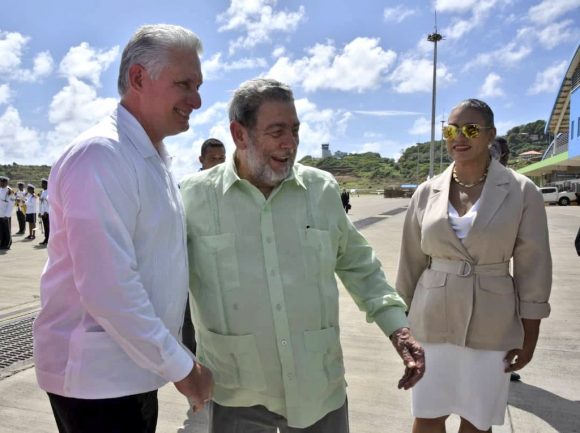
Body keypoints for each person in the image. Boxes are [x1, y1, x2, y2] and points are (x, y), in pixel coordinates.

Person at [180, 78, 424, 433]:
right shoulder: (193, 198)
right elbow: (164, 283)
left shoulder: (321, 189)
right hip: (237, 389)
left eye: (295, 130)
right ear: (239, 134)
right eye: (277, 131)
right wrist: (177, 363)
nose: (290, 144)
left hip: (317, 388)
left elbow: (359, 265)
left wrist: (396, 327)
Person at [32, 24, 213, 433]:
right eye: (184, 84)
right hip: (98, 382)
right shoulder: (102, 156)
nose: (197, 100)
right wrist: (184, 367)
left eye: (198, 86)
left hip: (129, 370)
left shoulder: (149, 157)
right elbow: (108, 287)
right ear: (138, 78)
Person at [396, 98, 552, 433]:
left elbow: (533, 268)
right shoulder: (426, 192)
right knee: (427, 415)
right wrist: (400, 325)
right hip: (431, 320)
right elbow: (410, 262)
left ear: (490, 134)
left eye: (470, 128)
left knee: (477, 420)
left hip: (492, 324)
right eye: (450, 129)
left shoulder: (522, 191)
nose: (458, 137)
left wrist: (530, 334)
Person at [181, 138, 226, 355]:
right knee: (192, 313)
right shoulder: (188, 188)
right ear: (201, 159)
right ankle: (192, 359)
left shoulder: (231, 187)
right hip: (194, 261)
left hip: (223, 265)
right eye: (213, 159)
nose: (218, 164)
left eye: (222, 159)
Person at [0, 176, 14, 250]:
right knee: (1, 230)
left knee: (7, 230)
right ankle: (2, 243)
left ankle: (7, 244)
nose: (1, 183)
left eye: (2, 182)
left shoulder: (9, 191)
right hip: (0, 213)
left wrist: (7, 215)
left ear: (6, 182)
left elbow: (11, 204)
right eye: (0, 182)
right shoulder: (0, 189)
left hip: (5, 215)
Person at [38, 178, 50, 246]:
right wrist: (40, 212)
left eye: (43, 183)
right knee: (45, 227)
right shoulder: (42, 192)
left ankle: (48, 239)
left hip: (47, 213)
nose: (41, 185)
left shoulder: (49, 191)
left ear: (46, 184)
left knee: (48, 227)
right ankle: (46, 238)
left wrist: (46, 212)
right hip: (43, 212)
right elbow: (41, 203)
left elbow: (49, 203)